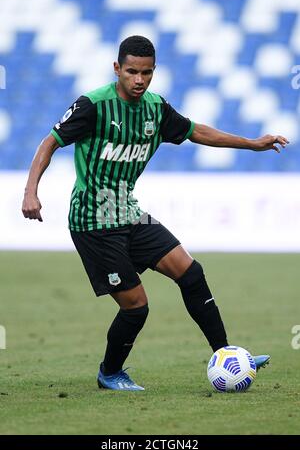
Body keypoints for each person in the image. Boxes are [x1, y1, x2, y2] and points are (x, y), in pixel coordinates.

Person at [22, 35, 287, 391]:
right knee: (137, 307)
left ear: (153, 72)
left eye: (146, 73)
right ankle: (110, 372)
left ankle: (227, 356)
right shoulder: (93, 106)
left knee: (191, 273)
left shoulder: (155, 109)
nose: (139, 80)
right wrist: (30, 191)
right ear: (117, 68)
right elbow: (49, 141)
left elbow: (197, 131)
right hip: (93, 223)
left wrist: (252, 144)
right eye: (131, 71)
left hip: (130, 214)